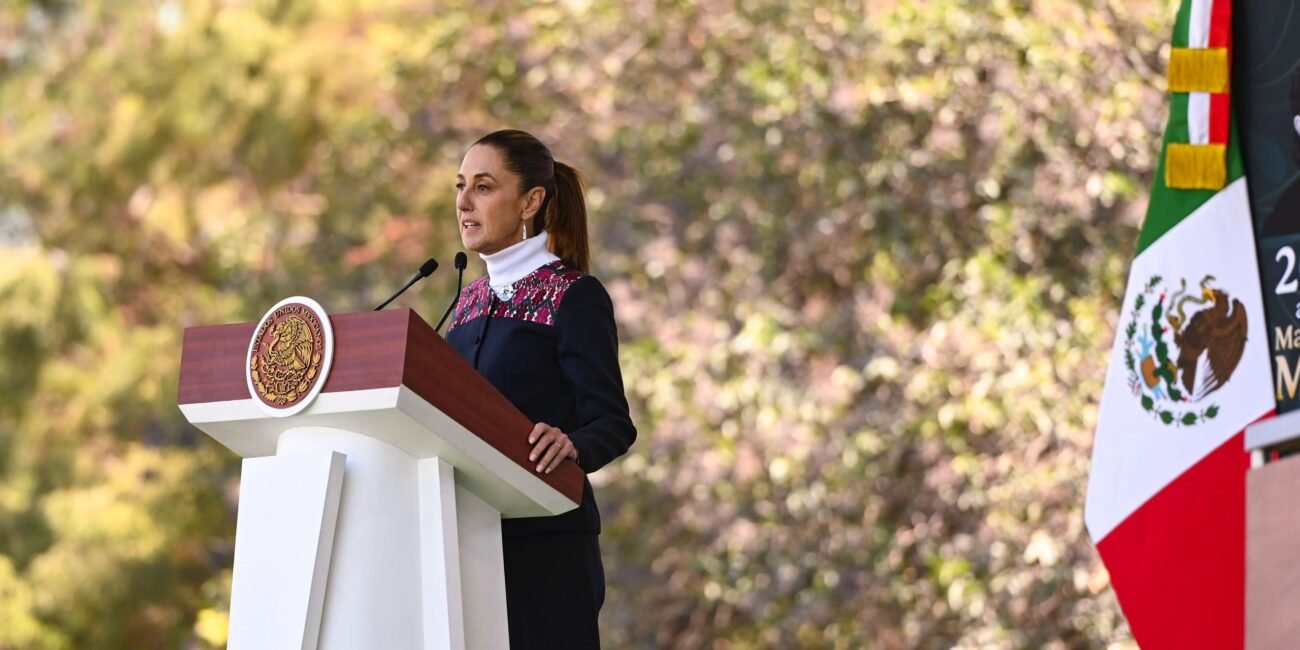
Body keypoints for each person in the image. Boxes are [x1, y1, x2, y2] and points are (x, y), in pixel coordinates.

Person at [444, 129, 637, 648]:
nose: (463, 202)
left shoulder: (573, 295)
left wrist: (572, 443)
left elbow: (613, 424)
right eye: (460, 186)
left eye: (483, 187)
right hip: (468, 544)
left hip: (549, 547)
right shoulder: (464, 306)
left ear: (531, 200)